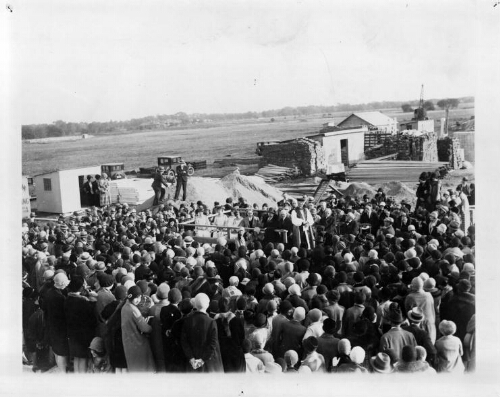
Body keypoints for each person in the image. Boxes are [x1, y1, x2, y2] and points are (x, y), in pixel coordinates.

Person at [181, 293, 224, 372]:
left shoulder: (187, 320)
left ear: (195, 305)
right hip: (207, 364)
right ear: (208, 305)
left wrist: (191, 358)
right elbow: (213, 344)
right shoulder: (211, 322)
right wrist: (202, 360)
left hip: (191, 365)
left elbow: (184, 341)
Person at [121, 285, 155, 372]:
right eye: (136, 298)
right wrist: (150, 326)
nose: (138, 300)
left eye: (139, 297)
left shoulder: (125, 306)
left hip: (128, 343)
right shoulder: (133, 309)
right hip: (138, 343)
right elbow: (145, 329)